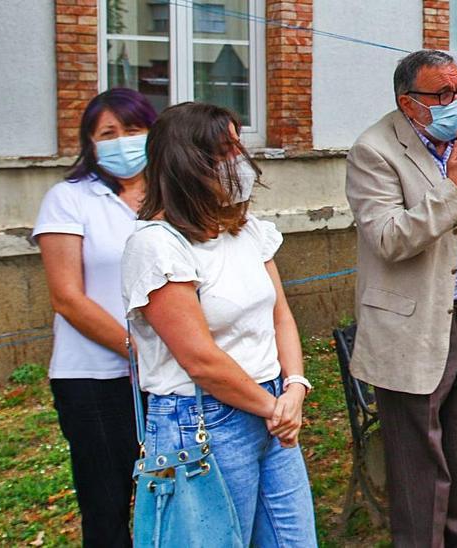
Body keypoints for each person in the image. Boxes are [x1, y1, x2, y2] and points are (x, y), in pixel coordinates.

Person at [345, 49, 457, 547]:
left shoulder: (455, 139)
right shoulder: (374, 151)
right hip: (414, 328)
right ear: (409, 103)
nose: (455, 103)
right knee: (419, 466)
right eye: (441, 95)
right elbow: (390, 237)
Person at [120, 102, 317, 545]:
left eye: (237, 146)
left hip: (273, 403)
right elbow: (200, 358)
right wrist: (274, 410)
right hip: (205, 418)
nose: (239, 161)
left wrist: (295, 387)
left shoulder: (246, 231)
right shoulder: (157, 247)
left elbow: (280, 314)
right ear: (188, 164)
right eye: (224, 150)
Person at [32, 88, 156, 547]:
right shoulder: (68, 199)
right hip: (95, 380)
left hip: (169, 376)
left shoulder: (169, 194)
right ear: (90, 141)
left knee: (168, 493)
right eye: (109, 133)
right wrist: (141, 351)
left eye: (133, 130)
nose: (122, 141)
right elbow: (67, 297)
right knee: (106, 507)